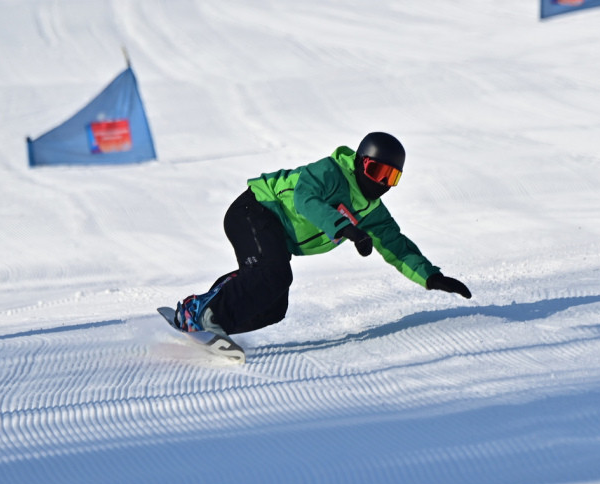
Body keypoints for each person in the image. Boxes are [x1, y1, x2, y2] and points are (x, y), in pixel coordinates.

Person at [174, 131, 471, 337]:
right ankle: (202, 313)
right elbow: (306, 199)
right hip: (256, 209)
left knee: (273, 308)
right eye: (376, 171)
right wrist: (346, 228)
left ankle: (212, 323)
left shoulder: (372, 211)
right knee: (273, 274)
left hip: (275, 234)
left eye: (390, 177)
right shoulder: (330, 172)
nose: (381, 183)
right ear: (360, 162)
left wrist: (431, 277)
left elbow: (397, 245)